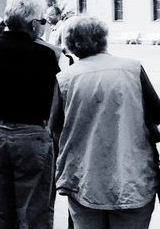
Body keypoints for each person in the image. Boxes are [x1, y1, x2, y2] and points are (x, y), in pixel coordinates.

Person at [51, 16, 160, 227]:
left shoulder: (65, 78)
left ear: (71, 44)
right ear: (103, 39)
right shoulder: (132, 69)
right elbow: (157, 114)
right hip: (133, 177)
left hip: (84, 180)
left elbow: (56, 130)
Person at [0, 0, 59, 229]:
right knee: (34, 212)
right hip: (31, 133)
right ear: (33, 24)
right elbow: (53, 99)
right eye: (41, 22)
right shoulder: (45, 55)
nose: (42, 27)